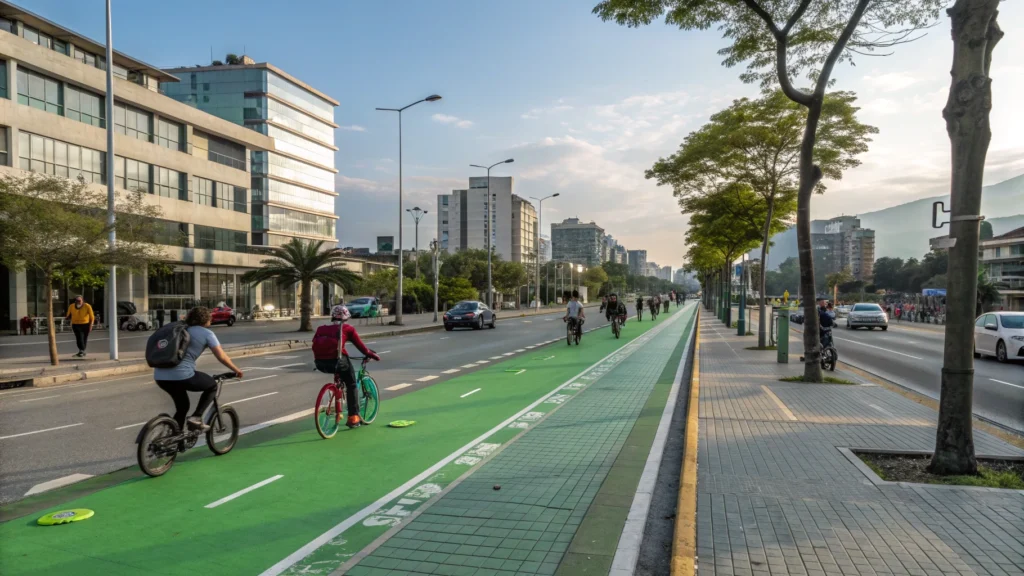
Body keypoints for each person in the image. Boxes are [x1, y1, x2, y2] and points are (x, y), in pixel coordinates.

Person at [154, 307, 243, 431]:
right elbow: (221, 356)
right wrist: (236, 370)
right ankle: (196, 417)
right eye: (210, 318)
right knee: (212, 386)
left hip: (160, 376)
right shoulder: (207, 333)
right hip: (181, 376)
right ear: (205, 319)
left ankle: (175, 439)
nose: (211, 321)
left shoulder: (179, 329)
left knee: (183, 407)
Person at [329, 304, 380, 428]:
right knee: (351, 384)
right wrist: (372, 355)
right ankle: (353, 417)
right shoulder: (347, 329)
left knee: (340, 380)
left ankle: (337, 404)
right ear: (346, 317)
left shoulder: (325, 328)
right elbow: (361, 347)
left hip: (323, 362)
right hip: (340, 360)